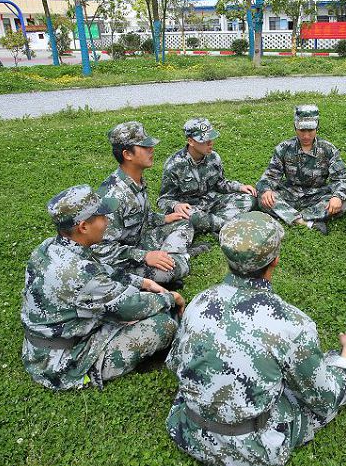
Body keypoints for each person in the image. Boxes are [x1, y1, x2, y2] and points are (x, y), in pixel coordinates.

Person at [166, 212, 346, 466]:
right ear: (275, 261)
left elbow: (174, 364)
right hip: (252, 451)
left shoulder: (199, 302)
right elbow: (324, 398)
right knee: (345, 367)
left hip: (186, 431)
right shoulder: (293, 324)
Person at [22, 185, 185, 391]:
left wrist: (142, 282)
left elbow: (101, 270)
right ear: (83, 227)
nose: (107, 221)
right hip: (63, 362)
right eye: (101, 216)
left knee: (139, 301)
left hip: (45, 346)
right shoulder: (80, 274)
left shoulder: (48, 247)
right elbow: (130, 306)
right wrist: (171, 298)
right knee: (163, 325)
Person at [92, 122, 203, 290]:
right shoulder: (113, 196)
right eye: (145, 147)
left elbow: (141, 215)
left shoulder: (134, 180)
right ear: (127, 154)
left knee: (184, 222)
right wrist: (145, 256)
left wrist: (164, 218)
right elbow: (101, 250)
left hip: (140, 242)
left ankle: (170, 258)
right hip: (123, 261)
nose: (151, 149)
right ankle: (176, 260)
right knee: (177, 268)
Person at [257, 105, 346, 235]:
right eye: (302, 131)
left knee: (341, 203)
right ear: (295, 127)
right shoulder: (283, 148)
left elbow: (341, 179)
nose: (306, 136)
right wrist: (267, 190)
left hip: (317, 194)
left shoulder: (328, 149)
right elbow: (270, 176)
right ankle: (307, 221)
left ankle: (290, 215)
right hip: (290, 192)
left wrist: (337, 196)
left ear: (317, 127)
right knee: (263, 199)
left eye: (311, 130)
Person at [158, 117, 257, 234]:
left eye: (211, 138)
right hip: (191, 209)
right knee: (192, 217)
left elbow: (220, 183)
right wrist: (176, 205)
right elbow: (163, 199)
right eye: (204, 140)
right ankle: (227, 223)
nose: (210, 143)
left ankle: (215, 223)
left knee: (249, 199)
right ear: (190, 141)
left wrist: (239, 187)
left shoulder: (214, 157)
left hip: (211, 202)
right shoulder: (174, 165)